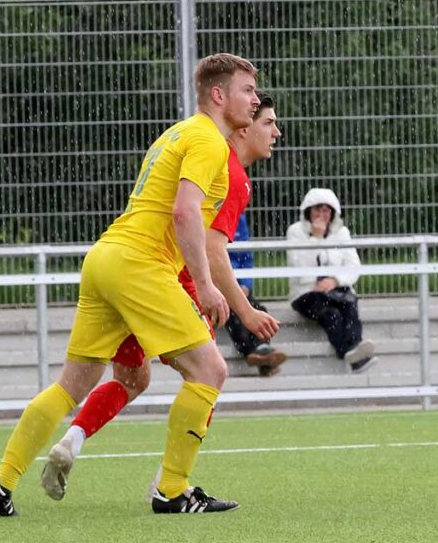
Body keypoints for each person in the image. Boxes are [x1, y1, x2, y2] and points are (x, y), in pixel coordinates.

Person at [0, 53, 268, 517]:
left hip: (105, 258)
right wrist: (207, 286)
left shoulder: (177, 132)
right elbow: (184, 212)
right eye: (247, 90)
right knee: (210, 371)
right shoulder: (209, 141)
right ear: (218, 95)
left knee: (73, 385)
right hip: (140, 265)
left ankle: (0, 483)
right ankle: (172, 490)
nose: (254, 100)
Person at [36, 92, 284, 503]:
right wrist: (244, 309)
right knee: (208, 373)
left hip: (126, 272)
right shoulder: (232, 172)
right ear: (243, 125)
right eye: (268, 122)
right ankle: (171, 486)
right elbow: (210, 247)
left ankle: (70, 442)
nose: (276, 132)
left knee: (132, 380)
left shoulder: (189, 141)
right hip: (168, 282)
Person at [286, 188, 376, 373]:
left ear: (333, 212)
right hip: (306, 293)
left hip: (336, 290)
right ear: (308, 211)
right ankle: (350, 352)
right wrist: (316, 239)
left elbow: (353, 265)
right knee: (331, 315)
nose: (321, 215)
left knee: (350, 306)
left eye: (326, 210)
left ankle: (354, 349)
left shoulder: (342, 233)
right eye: (317, 210)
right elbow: (300, 266)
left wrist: (335, 280)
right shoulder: (295, 231)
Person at [226, 213, 288, 376]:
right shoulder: (209, 211)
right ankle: (254, 353)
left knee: (259, 309)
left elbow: (246, 256)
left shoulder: (238, 217)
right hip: (218, 285)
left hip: (236, 283)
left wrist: (245, 284)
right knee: (235, 312)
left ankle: (261, 354)